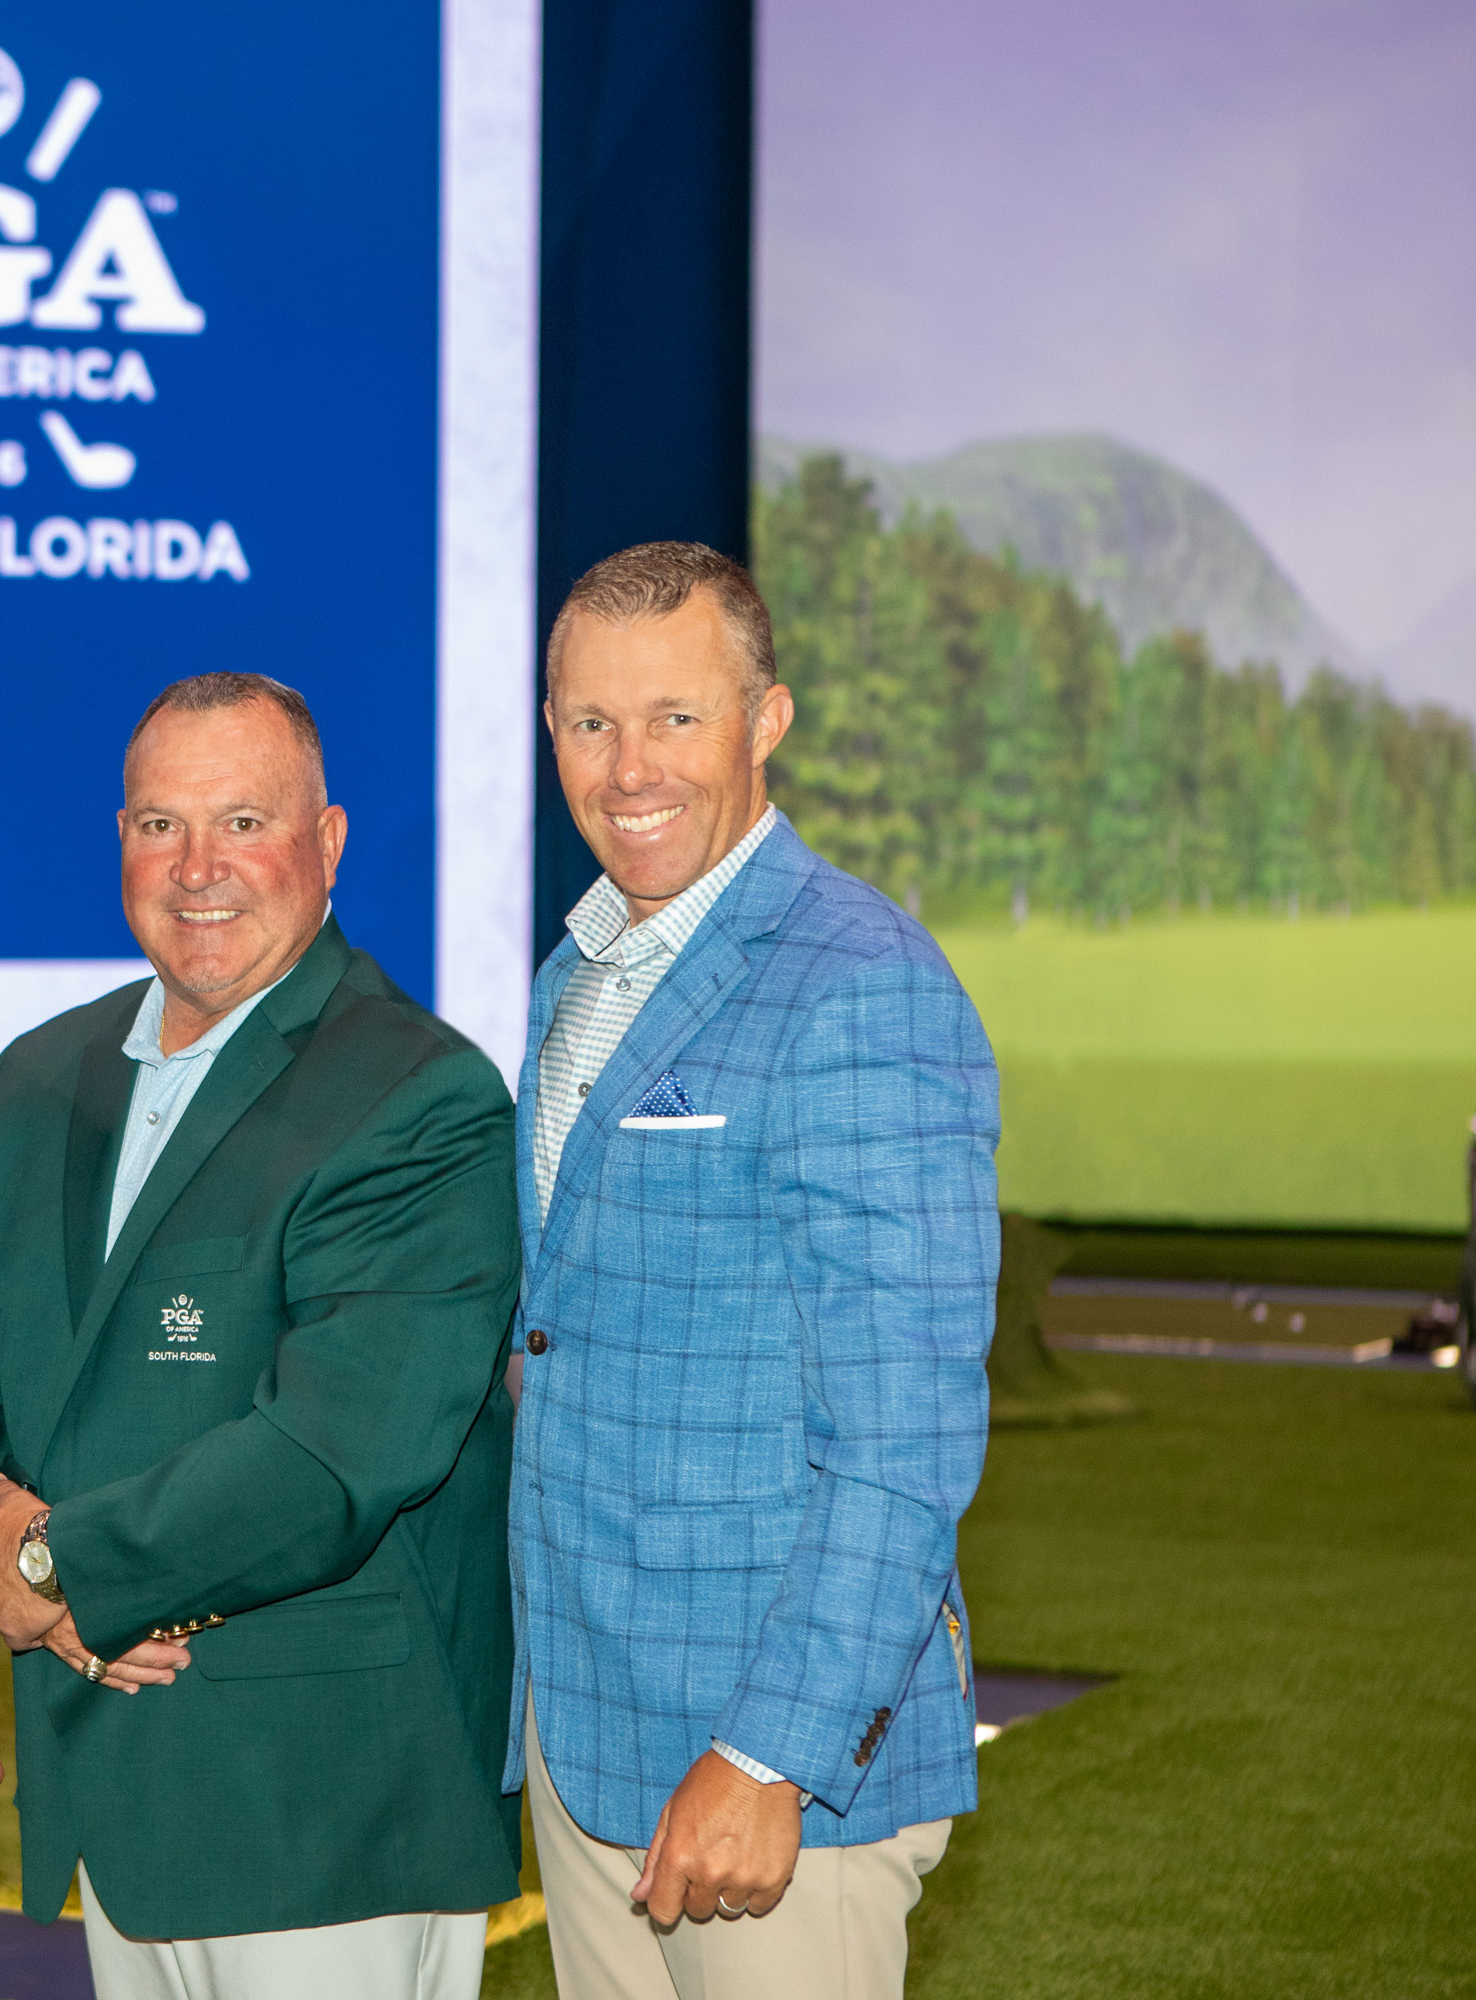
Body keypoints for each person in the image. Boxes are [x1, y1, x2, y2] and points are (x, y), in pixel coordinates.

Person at [0, 671, 524, 1999]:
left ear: (329, 842)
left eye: (244, 822)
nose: (198, 868)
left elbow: (338, 1452)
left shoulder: (419, 1097)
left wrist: (58, 1568)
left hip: (324, 1814)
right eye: (159, 825)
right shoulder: (38, 1079)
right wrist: (7, 1545)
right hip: (114, 1789)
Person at [511, 541, 997, 1999]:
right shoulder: (580, 971)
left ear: (766, 721)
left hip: (767, 1774)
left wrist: (771, 1750)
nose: (629, 767)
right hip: (587, 1726)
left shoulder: (861, 983)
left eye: (677, 716)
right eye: (591, 722)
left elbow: (905, 1434)